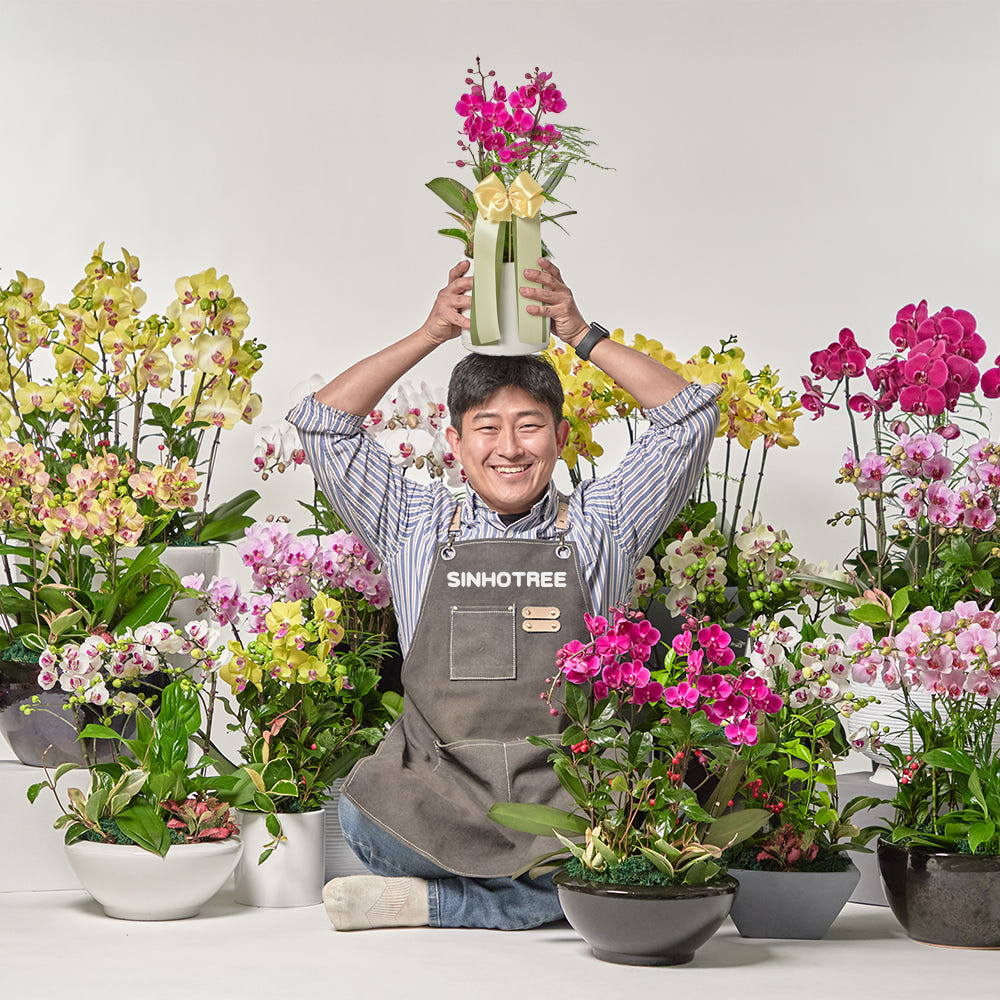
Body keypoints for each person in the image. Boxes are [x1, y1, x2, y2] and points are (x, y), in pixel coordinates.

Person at [286, 257, 720, 931]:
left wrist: (580, 335)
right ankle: (547, 899)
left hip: (571, 796)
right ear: (455, 443)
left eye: (529, 424)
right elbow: (321, 423)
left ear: (561, 436)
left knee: (645, 832)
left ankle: (441, 904)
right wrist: (432, 333)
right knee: (361, 814)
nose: (509, 447)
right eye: (487, 426)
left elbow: (689, 419)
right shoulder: (414, 523)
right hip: (442, 790)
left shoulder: (604, 523)